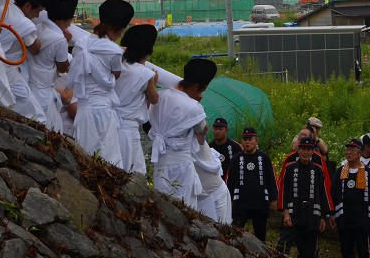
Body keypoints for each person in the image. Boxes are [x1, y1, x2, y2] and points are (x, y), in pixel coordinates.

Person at [68, 0, 134, 166]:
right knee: (108, 156)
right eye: (120, 31)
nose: (120, 35)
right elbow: (116, 74)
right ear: (116, 29)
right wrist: (117, 52)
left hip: (83, 107)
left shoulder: (81, 44)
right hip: (102, 110)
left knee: (86, 155)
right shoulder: (114, 51)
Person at [149, 58, 217, 209]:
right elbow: (202, 129)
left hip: (160, 163)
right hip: (181, 166)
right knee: (184, 207)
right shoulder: (194, 107)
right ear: (196, 87)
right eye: (202, 90)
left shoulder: (161, 95)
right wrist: (197, 103)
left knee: (162, 206)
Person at [0, 0, 55, 122]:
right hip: (7, 70)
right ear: (28, 6)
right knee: (36, 115)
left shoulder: (7, 2)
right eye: (38, 11)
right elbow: (35, 49)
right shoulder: (26, 24)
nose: (37, 16)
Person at [27, 0, 75, 132]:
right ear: (63, 20)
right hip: (44, 89)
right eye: (69, 21)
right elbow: (62, 67)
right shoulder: (59, 39)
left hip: (30, 82)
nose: (70, 24)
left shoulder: (38, 27)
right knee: (48, 129)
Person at [276, 136, 331, 258]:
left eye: (308, 149)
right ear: (298, 150)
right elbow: (283, 191)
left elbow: (323, 192)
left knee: (309, 252)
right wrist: (285, 212)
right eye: (303, 149)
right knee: (282, 247)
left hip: (312, 216)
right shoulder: (289, 168)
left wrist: (323, 216)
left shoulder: (318, 170)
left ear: (313, 151)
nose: (305, 152)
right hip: (292, 215)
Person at [115, 24, 159, 174]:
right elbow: (154, 99)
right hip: (128, 129)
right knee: (134, 172)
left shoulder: (116, 63)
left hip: (108, 124)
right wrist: (153, 80)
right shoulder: (145, 74)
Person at [331, 138, 370, 258]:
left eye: (352, 150)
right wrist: (332, 214)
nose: (349, 152)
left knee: (363, 249)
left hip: (362, 218)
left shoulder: (367, 172)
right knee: (345, 249)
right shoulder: (340, 171)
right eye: (347, 150)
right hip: (344, 217)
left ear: (359, 154)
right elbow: (334, 193)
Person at [227, 127, 279, 242]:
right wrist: (228, 199)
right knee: (234, 234)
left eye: (250, 139)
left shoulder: (264, 158)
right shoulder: (236, 159)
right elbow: (230, 181)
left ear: (256, 141)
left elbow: (271, 178)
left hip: (259, 202)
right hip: (241, 202)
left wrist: (273, 198)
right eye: (244, 139)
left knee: (260, 236)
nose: (247, 142)